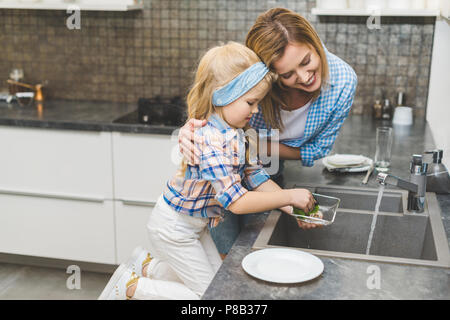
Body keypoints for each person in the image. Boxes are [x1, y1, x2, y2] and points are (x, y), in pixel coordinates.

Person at [98, 41, 317, 300]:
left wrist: (292, 209)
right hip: (173, 229)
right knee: (210, 296)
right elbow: (236, 201)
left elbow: (256, 177)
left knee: (219, 286)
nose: (256, 110)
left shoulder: (237, 132)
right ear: (223, 96)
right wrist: (289, 197)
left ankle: (148, 267)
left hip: (192, 227)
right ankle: (131, 288)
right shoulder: (212, 140)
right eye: (251, 102)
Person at [178, 8, 357, 255]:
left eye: (306, 61)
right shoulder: (253, 82)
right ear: (270, 75)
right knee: (224, 255)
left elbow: (316, 151)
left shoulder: (343, 81)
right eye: (287, 74)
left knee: (255, 249)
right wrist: (193, 128)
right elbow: (211, 104)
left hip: (261, 165)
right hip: (223, 172)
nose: (304, 77)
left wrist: (257, 147)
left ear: (314, 42)